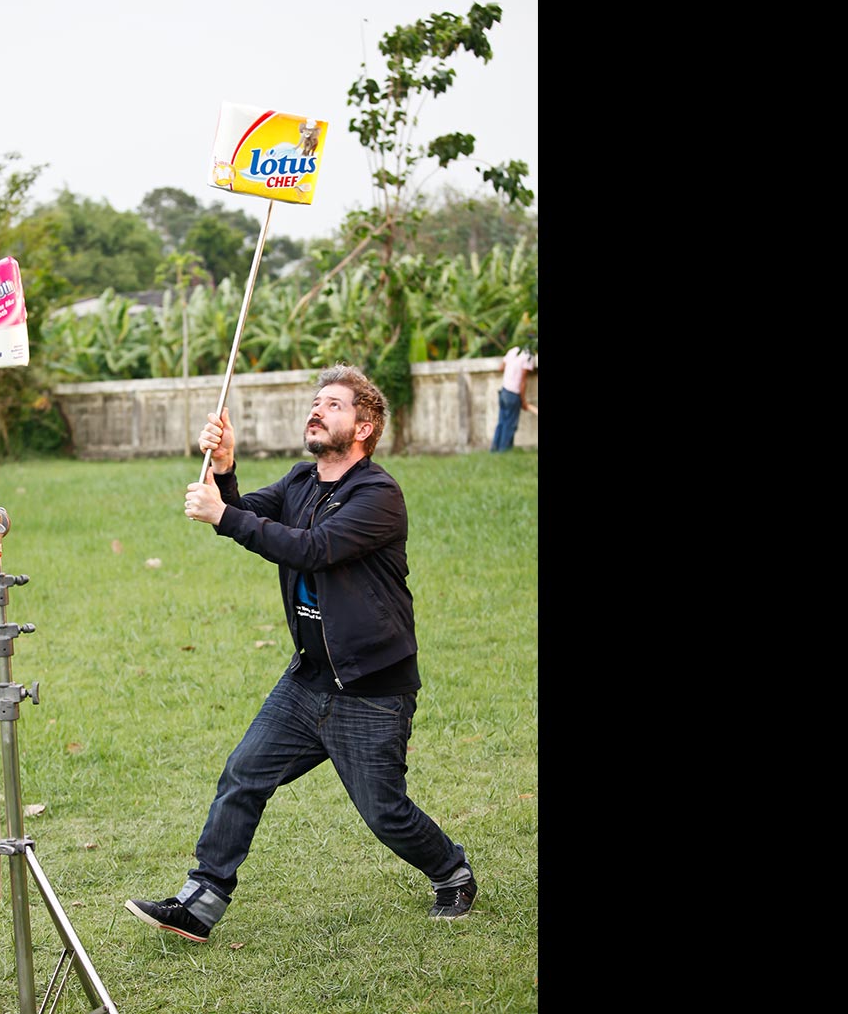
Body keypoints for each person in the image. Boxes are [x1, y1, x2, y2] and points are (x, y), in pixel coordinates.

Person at [123, 364, 475, 944]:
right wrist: (225, 468)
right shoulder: (300, 482)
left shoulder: (378, 495)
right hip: (309, 679)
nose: (317, 409)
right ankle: (201, 901)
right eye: (317, 401)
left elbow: (312, 549)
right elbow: (247, 514)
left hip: (371, 687)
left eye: (333, 405)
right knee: (243, 775)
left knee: (384, 811)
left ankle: (451, 871)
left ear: (363, 428)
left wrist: (223, 514)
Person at [490, 345, 537, 452]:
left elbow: (501, 367)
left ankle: (494, 449)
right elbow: (523, 380)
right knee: (510, 424)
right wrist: (523, 400)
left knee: (502, 422)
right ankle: (504, 451)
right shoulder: (529, 355)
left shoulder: (513, 350)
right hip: (513, 393)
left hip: (504, 390)